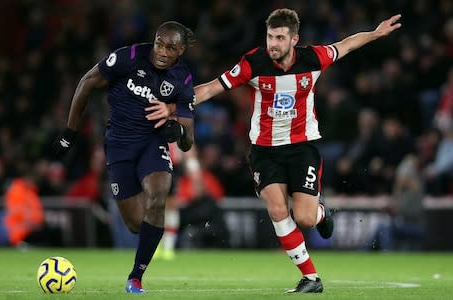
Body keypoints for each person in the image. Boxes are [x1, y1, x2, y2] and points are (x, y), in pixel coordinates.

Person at [147, 9, 402, 293]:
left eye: (280, 37)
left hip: (301, 147)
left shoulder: (314, 59)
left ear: (295, 40)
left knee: (304, 218)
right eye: (270, 36)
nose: (273, 43)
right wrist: (173, 106)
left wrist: (376, 33)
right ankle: (311, 277)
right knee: (278, 210)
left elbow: (347, 44)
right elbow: (210, 89)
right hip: (264, 151)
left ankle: (320, 214)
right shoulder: (253, 62)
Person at [53, 21, 196, 294]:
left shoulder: (183, 79)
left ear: (181, 50)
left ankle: (136, 277)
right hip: (118, 146)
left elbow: (188, 142)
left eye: (170, 48)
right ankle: (148, 243)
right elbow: (86, 83)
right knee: (134, 224)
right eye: (159, 43)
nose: (162, 52)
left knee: (157, 199)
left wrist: (176, 129)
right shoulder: (128, 57)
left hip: (152, 144)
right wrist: (69, 132)